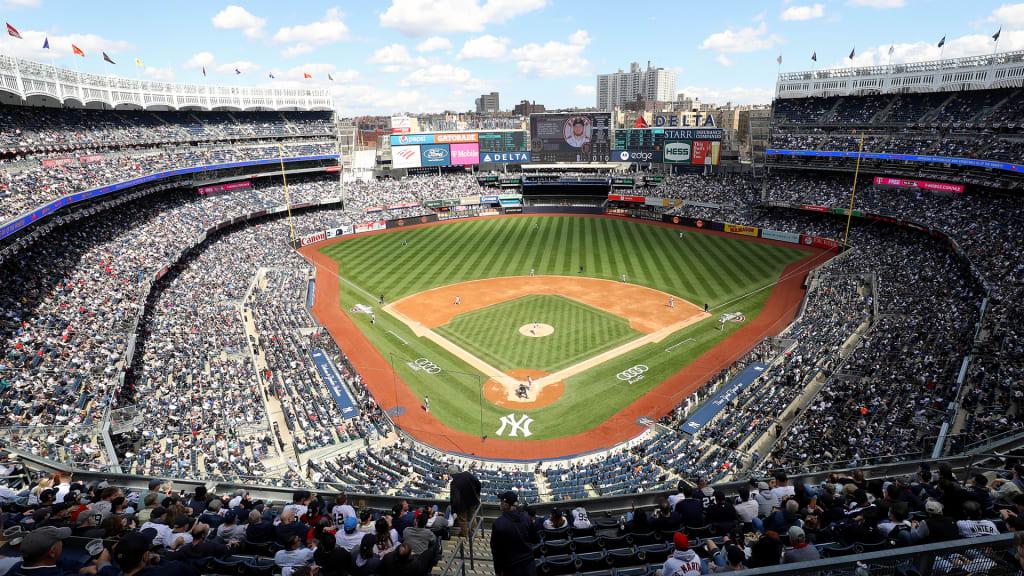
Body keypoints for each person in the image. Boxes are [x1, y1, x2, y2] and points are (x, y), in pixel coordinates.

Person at [490, 491, 536, 576]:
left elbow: (496, 551)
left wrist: (498, 570)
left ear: (506, 505)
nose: (501, 504)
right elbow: (534, 539)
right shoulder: (526, 518)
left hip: (510, 567)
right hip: (529, 565)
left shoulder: (498, 523)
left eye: (502, 502)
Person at [450, 464, 481, 538]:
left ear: (451, 474)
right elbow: (478, 483)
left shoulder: (453, 483)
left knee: (462, 520)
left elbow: (455, 498)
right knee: (472, 517)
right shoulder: (467, 474)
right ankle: (475, 533)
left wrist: (453, 507)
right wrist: (477, 494)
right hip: (472, 501)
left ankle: (465, 534)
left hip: (461, 505)